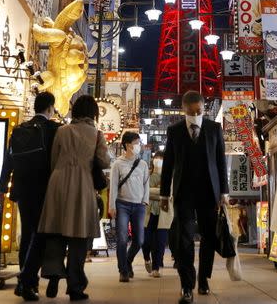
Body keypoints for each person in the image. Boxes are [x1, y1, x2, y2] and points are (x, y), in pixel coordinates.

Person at [25, 95, 110, 302]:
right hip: (82, 185)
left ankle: (53, 274)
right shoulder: (96, 134)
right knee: (79, 239)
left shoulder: (62, 130)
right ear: (93, 113)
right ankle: (75, 287)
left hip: (58, 183)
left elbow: (54, 159)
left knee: (55, 232)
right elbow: (105, 161)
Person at [160, 91, 229, 304]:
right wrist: (164, 194)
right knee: (184, 240)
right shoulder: (174, 131)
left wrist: (224, 192)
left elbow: (220, 161)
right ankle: (186, 286)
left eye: (199, 111)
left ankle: (203, 278)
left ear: (204, 108)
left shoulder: (214, 128)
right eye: (191, 112)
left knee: (209, 238)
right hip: (184, 193)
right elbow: (168, 164)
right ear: (184, 110)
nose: (196, 115)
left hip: (210, 191)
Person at [0, 92, 59, 299]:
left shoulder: (19, 129)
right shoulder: (53, 129)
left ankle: (26, 282)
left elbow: (8, 161)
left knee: (27, 235)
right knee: (41, 236)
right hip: (44, 189)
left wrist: (1, 190)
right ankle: (27, 281)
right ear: (50, 108)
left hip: (22, 190)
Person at [108, 131, 149, 282]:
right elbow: (113, 186)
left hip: (139, 206)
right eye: (136, 143)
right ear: (127, 145)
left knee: (139, 240)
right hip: (122, 205)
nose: (139, 146)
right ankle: (123, 271)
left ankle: (128, 261)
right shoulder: (117, 164)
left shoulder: (143, 164)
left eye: (139, 143)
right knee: (122, 239)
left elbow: (146, 184)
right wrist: (112, 206)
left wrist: (145, 201)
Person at [142, 151, 173, 278]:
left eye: (161, 158)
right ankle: (146, 258)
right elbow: (143, 191)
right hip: (148, 213)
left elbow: (169, 193)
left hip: (163, 213)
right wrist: (160, 192)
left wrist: (151, 192)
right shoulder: (146, 174)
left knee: (160, 242)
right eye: (157, 158)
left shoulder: (169, 176)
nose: (158, 160)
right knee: (145, 241)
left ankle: (156, 267)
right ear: (153, 160)